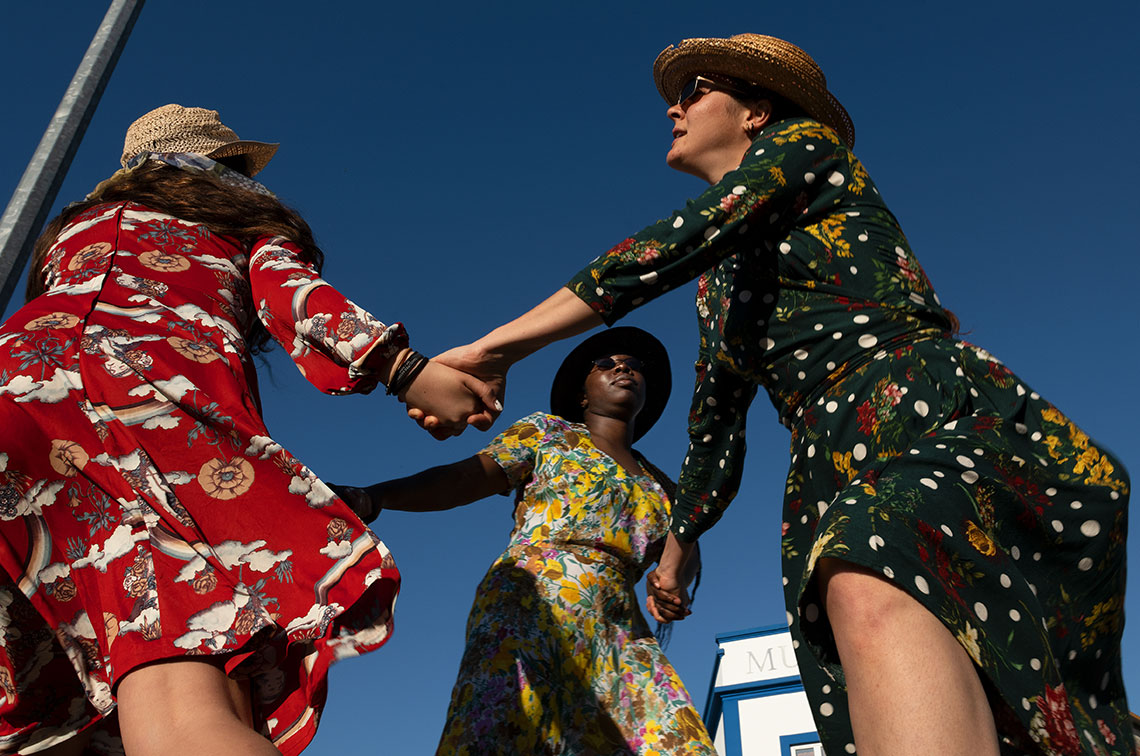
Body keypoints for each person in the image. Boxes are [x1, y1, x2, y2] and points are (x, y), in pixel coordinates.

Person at [418, 34, 1132, 756]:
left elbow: (672, 243)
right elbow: (715, 427)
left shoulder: (805, 147)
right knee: (877, 636)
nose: (673, 108)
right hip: (826, 462)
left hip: (918, 410)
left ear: (756, 111)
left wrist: (490, 351)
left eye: (694, 90)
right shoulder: (719, 285)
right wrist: (677, 552)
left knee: (868, 571)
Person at [0, 104, 495, 755]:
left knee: (76, 690)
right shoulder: (234, 219)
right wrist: (403, 369)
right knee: (181, 700)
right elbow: (293, 295)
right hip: (131, 403)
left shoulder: (74, 231)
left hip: (16, 393)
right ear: (227, 167)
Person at [337, 327, 715, 755]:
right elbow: (466, 478)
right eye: (606, 364)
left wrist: (674, 582)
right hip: (530, 601)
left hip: (619, 627)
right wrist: (377, 496)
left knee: (675, 741)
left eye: (633, 366)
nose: (622, 369)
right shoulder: (547, 433)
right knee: (504, 732)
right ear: (582, 395)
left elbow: (685, 548)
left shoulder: (659, 484)